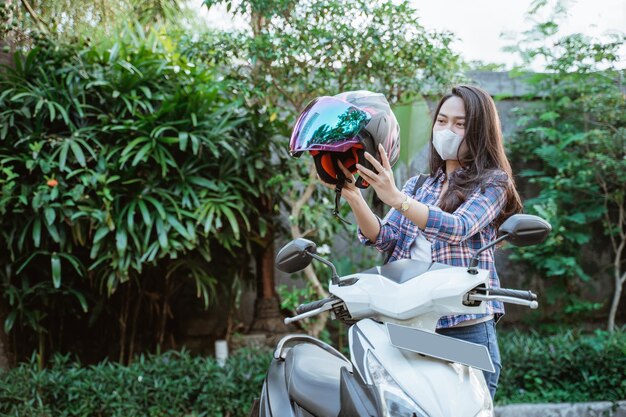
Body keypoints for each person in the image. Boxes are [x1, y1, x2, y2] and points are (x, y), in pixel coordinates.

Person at [323, 85, 523, 399]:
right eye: (442, 121)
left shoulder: (493, 182)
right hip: (412, 325)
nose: (447, 130)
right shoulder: (419, 185)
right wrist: (353, 197)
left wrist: (397, 200)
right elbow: (385, 239)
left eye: (460, 124)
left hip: (464, 328)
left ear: (479, 132)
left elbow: (459, 227)